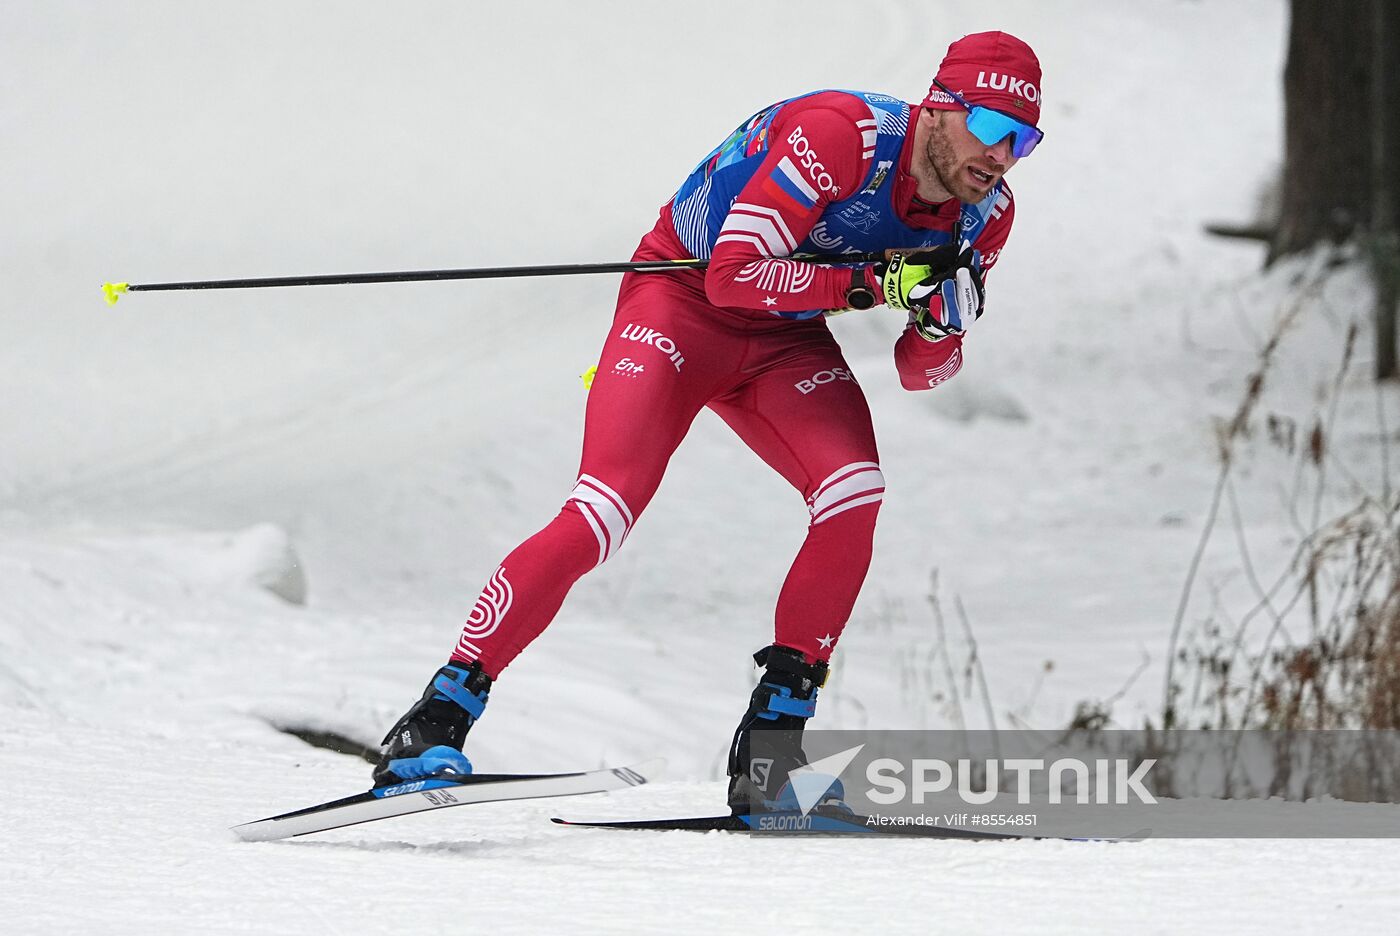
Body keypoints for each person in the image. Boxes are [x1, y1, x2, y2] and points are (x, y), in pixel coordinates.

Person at [373, 31, 1044, 814]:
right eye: (994, 129)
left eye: (1025, 140)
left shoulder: (983, 215)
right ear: (941, 107)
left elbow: (917, 374)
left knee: (854, 493)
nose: (1003, 156)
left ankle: (771, 752)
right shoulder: (841, 135)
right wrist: (873, 283)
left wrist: (941, 327)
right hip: (682, 303)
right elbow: (731, 279)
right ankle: (434, 721)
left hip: (785, 337)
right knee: (604, 509)